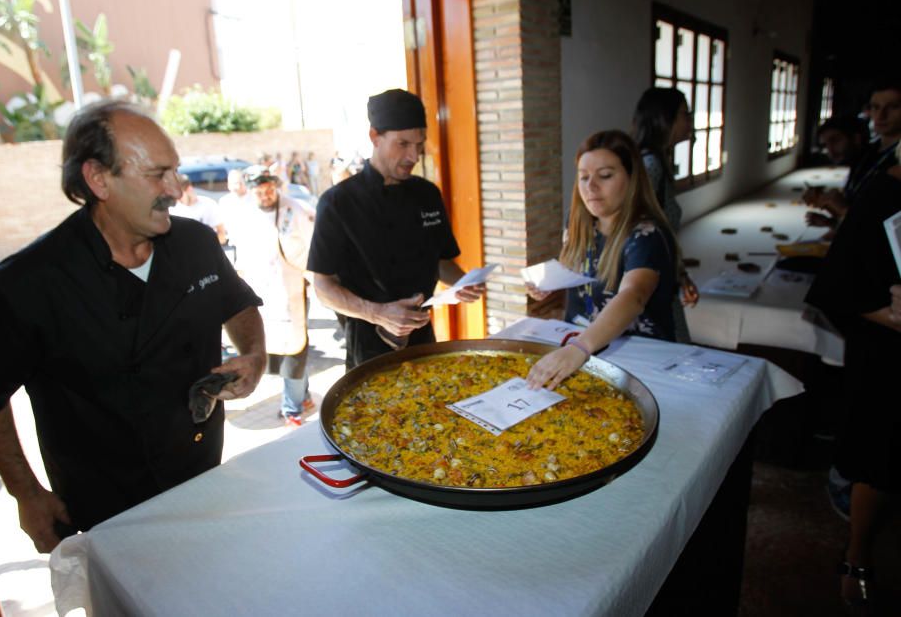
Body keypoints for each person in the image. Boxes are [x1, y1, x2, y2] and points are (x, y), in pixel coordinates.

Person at [0, 100, 267, 552]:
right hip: (107, 506)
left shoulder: (196, 243)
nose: (177, 189)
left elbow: (238, 306)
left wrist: (254, 356)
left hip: (203, 476)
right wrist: (27, 494)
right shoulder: (29, 283)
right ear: (98, 179)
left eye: (175, 171)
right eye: (158, 174)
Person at [307, 88, 484, 369]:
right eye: (403, 144)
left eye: (419, 144)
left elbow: (441, 262)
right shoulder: (338, 202)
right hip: (369, 344)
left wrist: (461, 283)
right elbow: (322, 287)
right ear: (374, 137)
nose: (413, 155)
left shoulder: (427, 194)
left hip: (424, 338)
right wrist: (377, 313)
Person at [805, 142, 901, 609]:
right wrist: (887, 314)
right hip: (889, 354)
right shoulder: (883, 193)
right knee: (879, 455)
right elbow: (836, 288)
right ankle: (858, 554)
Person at [526, 130, 678, 390]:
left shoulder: (646, 235)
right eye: (584, 177)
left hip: (639, 361)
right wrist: (549, 286)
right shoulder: (578, 224)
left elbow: (633, 296)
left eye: (605, 176)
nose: (591, 187)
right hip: (582, 350)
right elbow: (581, 276)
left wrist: (579, 347)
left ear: (632, 179)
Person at [229, 165, 316, 426]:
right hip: (261, 294)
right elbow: (240, 253)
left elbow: (312, 246)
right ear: (252, 190)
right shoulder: (242, 213)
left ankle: (292, 409)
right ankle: (304, 395)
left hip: (291, 292)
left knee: (295, 351)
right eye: (260, 191)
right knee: (277, 351)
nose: (265, 195)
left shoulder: (294, 210)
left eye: (269, 189)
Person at [631, 87, 699, 342]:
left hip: (663, 278)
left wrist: (680, 274)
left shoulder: (657, 161)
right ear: (663, 117)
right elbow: (645, 233)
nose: (689, 121)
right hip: (652, 285)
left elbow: (663, 231)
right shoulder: (650, 165)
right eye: (684, 113)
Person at [806, 80, 901, 226]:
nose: (881, 115)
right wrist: (833, 220)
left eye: (893, 107)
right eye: (875, 107)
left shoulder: (897, 160)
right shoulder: (868, 152)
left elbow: (891, 223)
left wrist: (844, 210)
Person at [804, 116, 871, 230]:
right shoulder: (859, 166)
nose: (830, 150)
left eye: (835, 140)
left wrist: (844, 210)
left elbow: (880, 230)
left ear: (856, 138)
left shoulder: (878, 169)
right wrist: (832, 222)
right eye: (825, 145)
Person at [170, 173, 226, 244]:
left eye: (180, 195)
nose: (178, 199)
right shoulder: (172, 210)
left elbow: (221, 233)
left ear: (189, 189)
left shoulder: (208, 204)